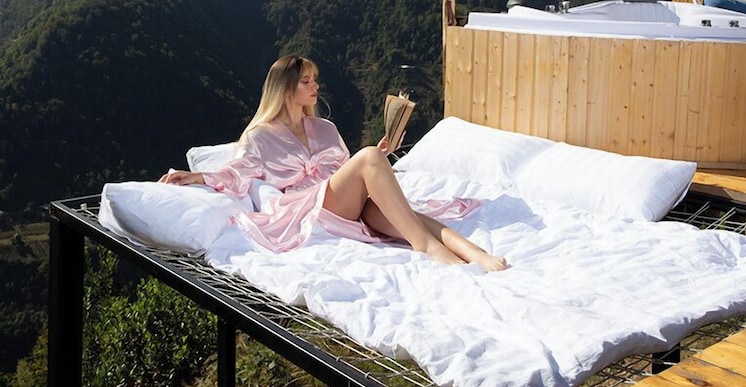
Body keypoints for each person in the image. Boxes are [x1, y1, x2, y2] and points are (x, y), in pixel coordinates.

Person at [160, 54, 507, 271]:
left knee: (405, 215)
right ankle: (426, 246)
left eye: (315, 80)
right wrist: (196, 177)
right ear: (285, 89)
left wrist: (380, 155)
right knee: (369, 159)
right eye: (306, 81)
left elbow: (344, 171)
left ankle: (473, 252)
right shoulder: (260, 136)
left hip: (344, 201)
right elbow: (237, 173)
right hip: (311, 206)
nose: (315, 86)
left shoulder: (324, 128)